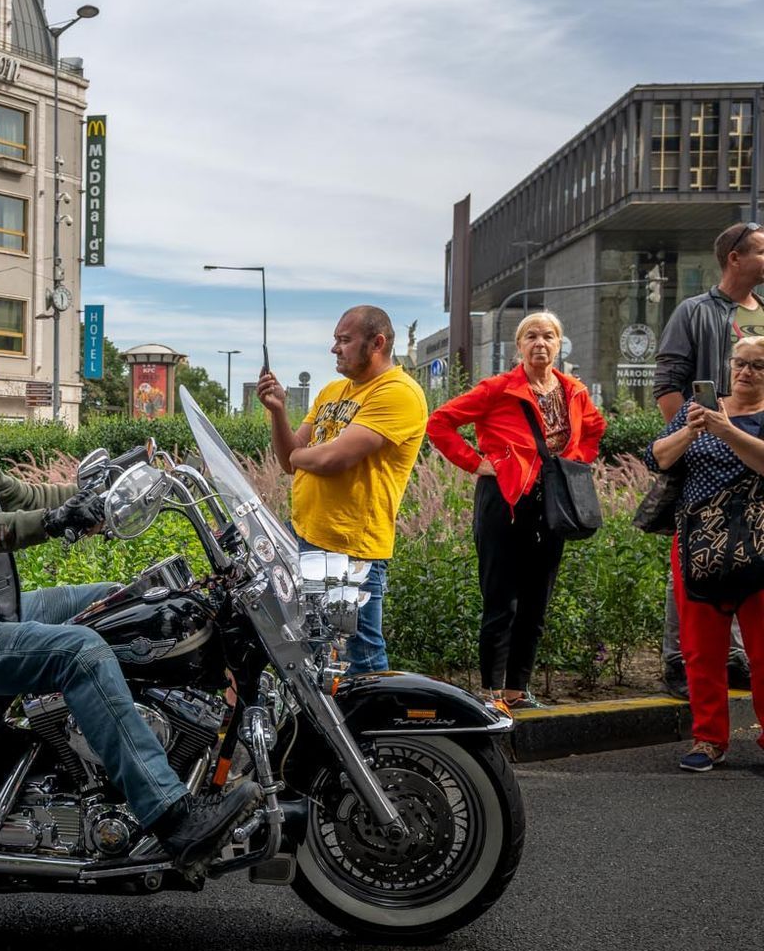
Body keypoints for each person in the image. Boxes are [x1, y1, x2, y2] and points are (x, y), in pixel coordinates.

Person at [0, 342, 259, 867]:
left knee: (122, 600)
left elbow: (27, 498)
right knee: (81, 651)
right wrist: (50, 526)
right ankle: (172, 817)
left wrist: (92, 496)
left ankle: (173, 742)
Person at [427, 311, 606, 709]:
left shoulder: (573, 390)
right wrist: (478, 463)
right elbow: (439, 423)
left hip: (554, 505)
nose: (540, 343)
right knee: (501, 602)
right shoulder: (498, 387)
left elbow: (595, 427)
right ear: (519, 346)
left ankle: (517, 691)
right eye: (531, 337)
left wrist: (575, 463)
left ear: (559, 344)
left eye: (547, 336)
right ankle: (492, 694)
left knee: (535, 603)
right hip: (504, 503)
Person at [256, 306, 427, 672]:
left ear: (377, 343)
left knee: (360, 650)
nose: (335, 348)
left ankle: (372, 726)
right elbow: (289, 461)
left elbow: (335, 459)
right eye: (335, 339)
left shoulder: (399, 393)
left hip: (352, 548)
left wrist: (304, 454)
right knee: (312, 644)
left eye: (344, 340)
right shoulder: (332, 391)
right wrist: (278, 412)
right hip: (305, 533)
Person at [651, 220, 764, 698]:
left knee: (753, 563)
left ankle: (736, 659)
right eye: (762, 249)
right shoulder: (695, 311)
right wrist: (702, 440)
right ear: (735, 257)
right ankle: (680, 661)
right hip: (709, 457)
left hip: (757, 459)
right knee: (697, 555)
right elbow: (668, 385)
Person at [646, 331, 764, 770]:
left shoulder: (738, 418)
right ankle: (708, 739)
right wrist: (692, 431)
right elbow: (655, 456)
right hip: (699, 541)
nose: (745, 371)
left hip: (760, 542)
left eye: (757, 365)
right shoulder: (701, 410)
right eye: (740, 362)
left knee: (763, 647)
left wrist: (726, 431)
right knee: (700, 648)